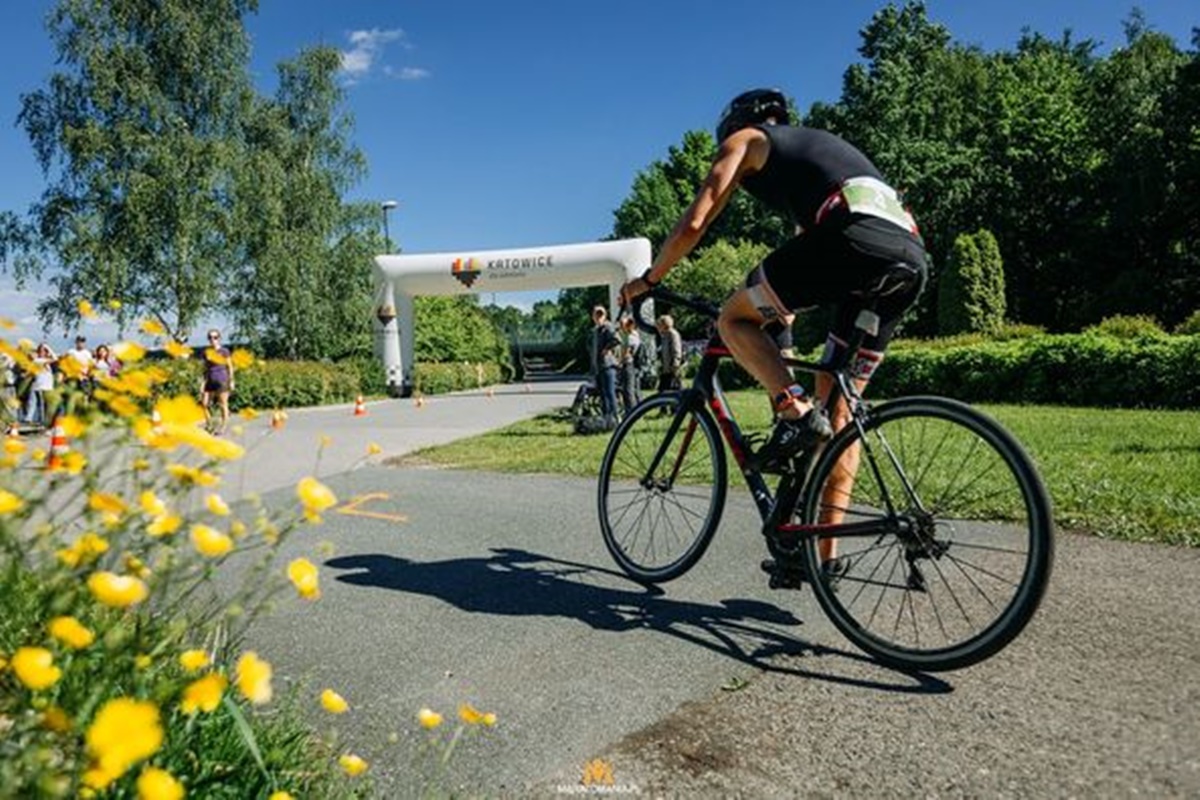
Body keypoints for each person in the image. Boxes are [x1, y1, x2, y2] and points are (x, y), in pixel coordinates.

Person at [620, 88, 928, 573]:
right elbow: (806, 257)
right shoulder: (817, 156)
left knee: (733, 319)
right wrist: (784, 312)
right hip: (908, 256)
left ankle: (793, 410)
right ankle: (822, 557)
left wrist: (649, 280)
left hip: (853, 239)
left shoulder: (747, 139)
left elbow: (695, 222)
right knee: (839, 416)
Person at [589, 306, 620, 428]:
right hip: (598, 367)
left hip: (608, 365)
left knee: (610, 393)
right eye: (596, 315)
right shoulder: (595, 330)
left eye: (600, 315)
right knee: (602, 394)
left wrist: (606, 349)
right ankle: (606, 419)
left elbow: (616, 340)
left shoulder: (608, 327)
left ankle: (615, 418)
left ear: (605, 316)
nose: (598, 317)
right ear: (593, 316)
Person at [200, 329, 235, 434]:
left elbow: (230, 367)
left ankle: (223, 426)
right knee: (204, 404)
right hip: (210, 380)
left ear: (219, 338)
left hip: (222, 380)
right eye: (210, 337)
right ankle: (209, 423)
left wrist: (231, 381)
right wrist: (203, 383)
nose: (213, 339)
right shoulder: (206, 352)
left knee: (223, 404)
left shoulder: (224, 351)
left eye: (215, 337)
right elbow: (205, 369)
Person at [24, 343, 57, 428]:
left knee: (40, 404)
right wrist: (48, 347)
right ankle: (42, 421)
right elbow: (55, 358)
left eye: (43, 351)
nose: (41, 352)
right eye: (40, 351)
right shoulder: (38, 360)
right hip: (41, 386)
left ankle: (33, 419)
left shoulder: (44, 362)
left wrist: (47, 348)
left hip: (46, 386)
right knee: (41, 405)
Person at [617, 314, 642, 414]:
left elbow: (626, 353)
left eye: (623, 324)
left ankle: (632, 411)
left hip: (628, 364)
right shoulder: (628, 335)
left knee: (628, 389)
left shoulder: (631, 337)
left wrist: (618, 362)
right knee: (632, 388)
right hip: (629, 364)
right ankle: (634, 409)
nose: (621, 326)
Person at [656, 314, 684, 392]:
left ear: (664, 324)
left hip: (672, 368)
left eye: (659, 324)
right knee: (663, 390)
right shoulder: (664, 335)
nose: (658, 326)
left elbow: (676, 350)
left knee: (673, 389)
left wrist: (675, 364)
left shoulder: (673, 334)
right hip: (666, 368)